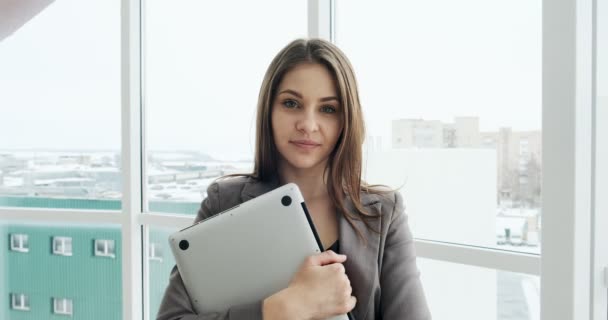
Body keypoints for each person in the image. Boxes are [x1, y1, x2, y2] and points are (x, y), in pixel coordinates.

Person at [157, 38, 431, 320]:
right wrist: (280, 310)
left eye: (328, 109)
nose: (308, 124)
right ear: (269, 112)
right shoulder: (223, 202)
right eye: (291, 103)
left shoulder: (383, 213)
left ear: (346, 120)